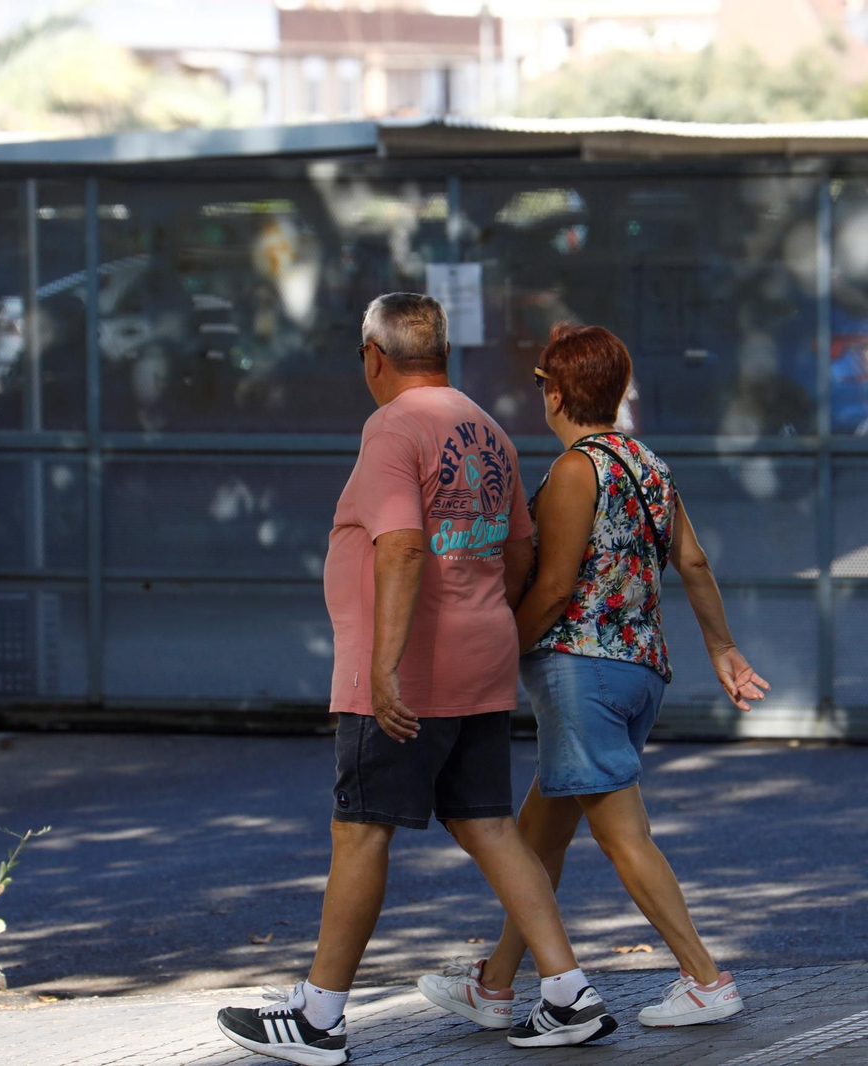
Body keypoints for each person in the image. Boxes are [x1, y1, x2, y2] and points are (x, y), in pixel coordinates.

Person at [217, 295, 620, 1066]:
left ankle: (321, 1018)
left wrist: (384, 661)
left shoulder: (392, 428)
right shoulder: (487, 428)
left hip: (408, 670)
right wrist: (479, 615)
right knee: (488, 823)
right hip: (481, 656)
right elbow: (519, 553)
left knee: (360, 830)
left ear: (373, 356)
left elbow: (401, 547)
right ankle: (568, 993)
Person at [417, 323, 770, 1031]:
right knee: (539, 838)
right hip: (638, 672)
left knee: (623, 835)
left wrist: (495, 654)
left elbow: (551, 590)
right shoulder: (648, 464)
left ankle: (705, 978)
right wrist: (724, 648)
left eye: (542, 381)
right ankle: (494, 985)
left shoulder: (578, 470)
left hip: (583, 672)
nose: (539, 392)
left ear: (555, 391)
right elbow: (693, 563)